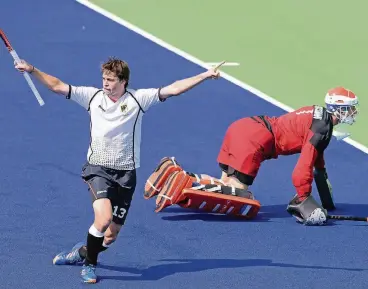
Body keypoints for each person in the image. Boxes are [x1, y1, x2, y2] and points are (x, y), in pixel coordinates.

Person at [14, 57, 223, 283]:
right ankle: (89, 265)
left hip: (126, 175)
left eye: (111, 80)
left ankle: (83, 252)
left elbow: (173, 89)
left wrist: (205, 75)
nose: (105, 83)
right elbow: (56, 85)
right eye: (104, 78)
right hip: (98, 169)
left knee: (111, 236)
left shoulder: (138, 99)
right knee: (103, 219)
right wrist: (32, 69)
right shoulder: (92, 97)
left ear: (123, 81)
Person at [145, 86, 359, 225]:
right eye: (350, 109)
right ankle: (185, 180)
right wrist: (304, 199)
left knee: (225, 183)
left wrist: (327, 204)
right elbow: (303, 167)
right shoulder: (322, 128)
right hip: (255, 140)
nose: (353, 113)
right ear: (338, 110)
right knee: (239, 195)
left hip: (243, 127)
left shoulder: (318, 116)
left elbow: (318, 165)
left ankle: (174, 174)